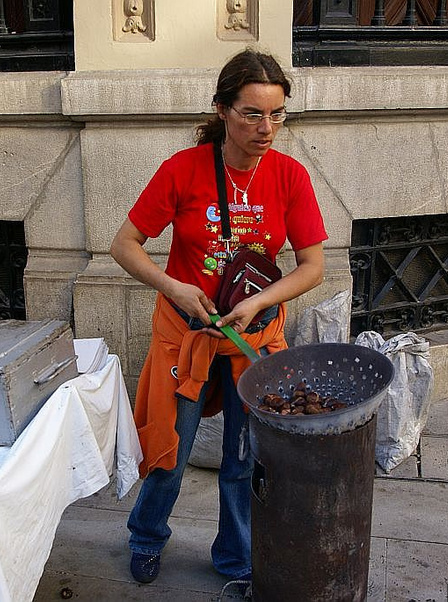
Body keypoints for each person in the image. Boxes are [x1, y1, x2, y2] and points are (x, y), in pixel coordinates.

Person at [109, 48, 328, 585]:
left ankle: (235, 558)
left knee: (242, 461)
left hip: (252, 343)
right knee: (170, 450)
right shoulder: (182, 170)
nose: (266, 127)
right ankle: (146, 536)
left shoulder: (290, 177)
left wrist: (258, 301)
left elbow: (313, 266)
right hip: (185, 337)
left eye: (276, 114)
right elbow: (125, 245)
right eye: (252, 113)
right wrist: (175, 287)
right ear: (222, 110)